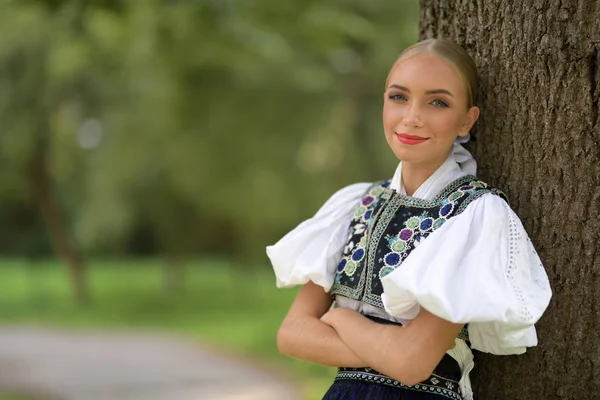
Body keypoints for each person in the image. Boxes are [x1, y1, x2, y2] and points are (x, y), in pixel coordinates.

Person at [266, 38, 552, 400]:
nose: (412, 117)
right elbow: (292, 335)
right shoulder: (356, 204)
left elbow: (413, 363)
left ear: (467, 119)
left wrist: (340, 318)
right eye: (398, 97)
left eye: (437, 102)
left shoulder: (474, 215)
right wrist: (389, 350)